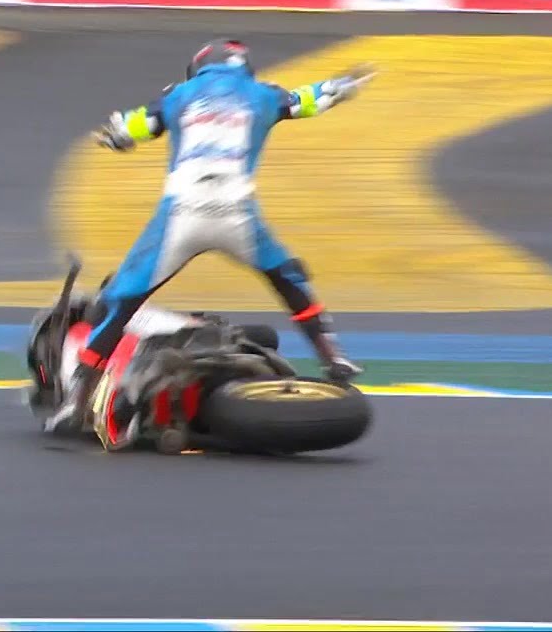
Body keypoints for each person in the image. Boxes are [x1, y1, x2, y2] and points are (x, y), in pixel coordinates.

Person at [44, 38, 375, 435]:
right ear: (245, 67)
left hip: (181, 217)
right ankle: (333, 356)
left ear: (197, 69)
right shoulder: (264, 94)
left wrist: (117, 135)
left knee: (121, 302)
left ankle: (76, 400)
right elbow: (311, 99)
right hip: (237, 217)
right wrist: (340, 86)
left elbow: (133, 127)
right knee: (289, 279)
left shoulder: (178, 95)